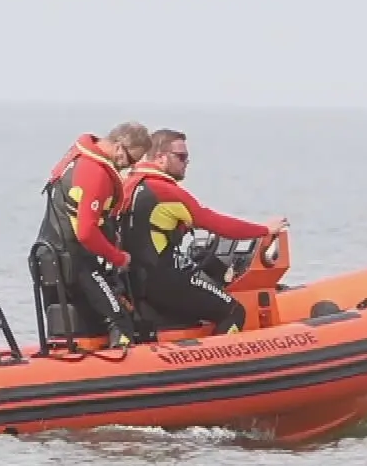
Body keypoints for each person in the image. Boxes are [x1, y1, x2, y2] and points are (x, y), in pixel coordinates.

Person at [115, 129, 283, 335]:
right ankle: (222, 361)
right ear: (160, 158)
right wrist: (264, 229)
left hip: (134, 282)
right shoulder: (166, 192)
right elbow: (217, 223)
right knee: (233, 310)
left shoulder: (129, 186)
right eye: (181, 157)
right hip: (164, 283)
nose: (186, 163)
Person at [36, 122, 152, 345]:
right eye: (131, 160)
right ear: (119, 147)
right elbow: (86, 233)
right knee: (120, 320)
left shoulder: (77, 159)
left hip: (49, 257)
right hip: (75, 261)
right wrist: (118, 257)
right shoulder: (96, 173)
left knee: (77, 323)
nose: (129, 167)